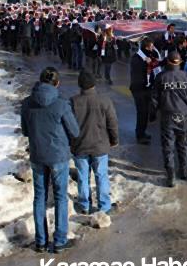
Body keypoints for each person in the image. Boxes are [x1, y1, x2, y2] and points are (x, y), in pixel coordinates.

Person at [20, 67, 80, 253]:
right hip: (58, 156)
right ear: (57, 83)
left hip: (37, 155)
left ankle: (41, 241)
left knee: (40, 197)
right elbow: (75, 131)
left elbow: (25, 131)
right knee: (60, 196)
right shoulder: (62, 104)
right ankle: (60, 241)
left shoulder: (27, 103)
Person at [70, 70, 119, 214]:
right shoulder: (104, 101)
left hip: (80, 146)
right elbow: (112, 123)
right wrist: (114, 140)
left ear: (79, 84)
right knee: (101, 175)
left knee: (82, 176)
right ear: (94, 83)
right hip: (100, 146)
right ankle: (104, 206)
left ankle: (84, 205)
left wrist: (71, 142)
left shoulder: (73, 102)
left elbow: (68, 125)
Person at [151, 51, 187, 188]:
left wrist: (152, 114)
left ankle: (171, 176)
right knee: (183, 144)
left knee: (168, 146)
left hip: (167, 116)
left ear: (168, 61)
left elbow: (154, 99)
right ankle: (183, 171)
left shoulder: (161, 77)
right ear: (180, 62)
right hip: (183, 116)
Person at [129, 37, 162, 144]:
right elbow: (137, 73)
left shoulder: (150, 56)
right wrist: (146, 63)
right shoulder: (137, 58)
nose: (153, 48)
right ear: (146, 47)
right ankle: (139, 135)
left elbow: (156, 64)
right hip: (139, 89)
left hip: (148, 88)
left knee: (147, 112)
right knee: (142, 112)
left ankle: (143, 131)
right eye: (151, 46)